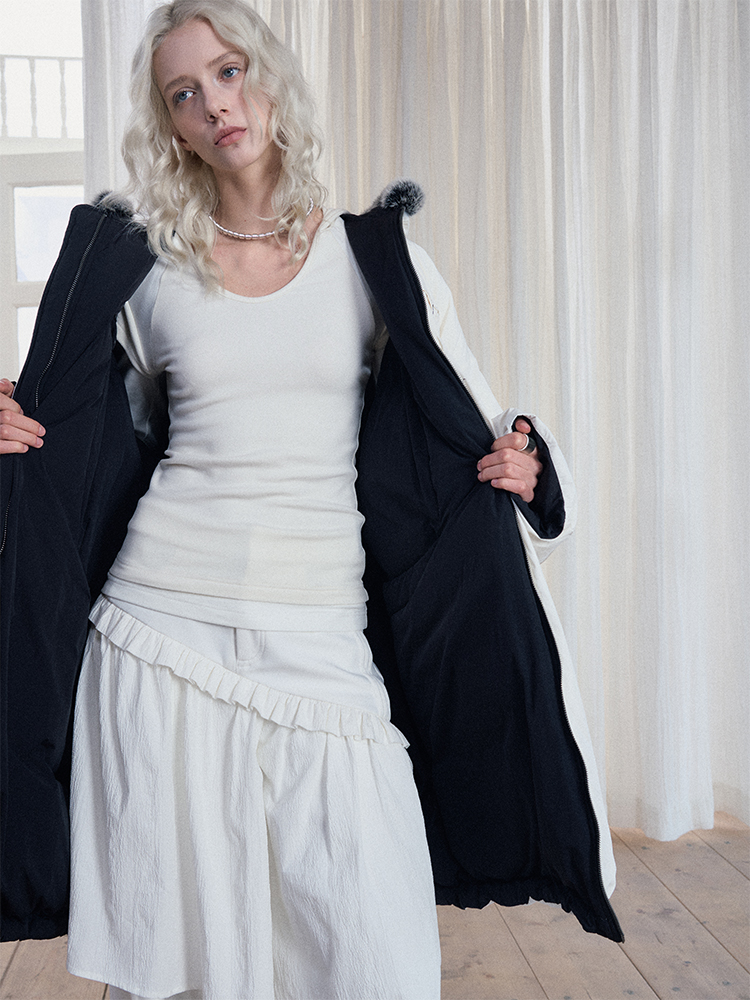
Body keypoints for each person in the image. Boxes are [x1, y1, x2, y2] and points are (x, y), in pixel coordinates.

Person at [0, 1, 622, 997]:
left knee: (377, 955)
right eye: (184, 93)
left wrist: (533, 468)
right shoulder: (144, 268)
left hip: (319, 629)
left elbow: (480, 420)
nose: (215, 104)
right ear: (170, 126)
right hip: (158, 633)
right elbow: (79, 432)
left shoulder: (374, 261)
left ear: (270, 76)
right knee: (179, 967)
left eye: (229, 71)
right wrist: (12, 421)